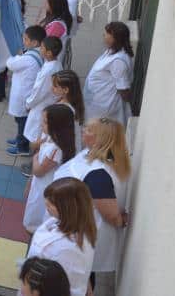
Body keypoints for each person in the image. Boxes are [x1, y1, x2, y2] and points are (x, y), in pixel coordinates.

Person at [54, 118, 131, 283]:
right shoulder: (89, 154)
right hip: (70, 230)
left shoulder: (99, 176)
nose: (83, 131)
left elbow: (112, 215)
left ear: (100, 140)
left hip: (81, 239)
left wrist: (121, 219)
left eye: (89, 130)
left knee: (79, 280)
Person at [28, 178, 96, 296]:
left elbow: (62, 282)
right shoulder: (82, 228)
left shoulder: (66, 249)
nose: (46, 206)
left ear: (67, 208)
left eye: (51, 204)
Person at [23, 104, 76, 233]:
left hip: (45, 187)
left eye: (45, 122)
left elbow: (39, 171)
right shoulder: (50, 139)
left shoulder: (55, 150)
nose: (42, 125)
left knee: (37, 218)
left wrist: (35, 158)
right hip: (39, 184)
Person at [10, 36, 63, 156]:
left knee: (37, 135)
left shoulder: (49, 70)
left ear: (49, 53)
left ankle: (34, 158)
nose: (40, 49)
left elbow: (39, 91)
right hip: (44, 103)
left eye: (42, 48)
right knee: (37, 132)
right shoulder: (53, 63)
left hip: (41, 105)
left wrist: (29, 103)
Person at [6, 25, 47, 156]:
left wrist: (13, 57)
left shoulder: (28, 58)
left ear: (34, 42)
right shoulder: (37, 54)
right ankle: (19, 139)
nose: (23, 41)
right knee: (21, 121)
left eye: (25, 39)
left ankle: (22, 146)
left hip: (23, 95)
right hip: (26, 93)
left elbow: (11, 64)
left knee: (22, 122)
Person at [83, 22, 133, 125]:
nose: (104, 35)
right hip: (95, 104)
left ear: (115, 37)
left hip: (106, 108)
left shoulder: (119, 61)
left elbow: (123, 89)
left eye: (106, 33)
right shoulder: (111, 51)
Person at [51, 70, 86, 151]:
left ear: (66, 90)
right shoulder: (73, 104)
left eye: (55, 86)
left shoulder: (63, 111)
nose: (52, 88)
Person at [40, 0, 73, 66]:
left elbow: (46, 44)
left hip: (49, 60)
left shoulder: (56, 26)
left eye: (47, 2)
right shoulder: (56, 16)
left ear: (54, 5)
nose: (45, 3)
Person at [60, 0, 81, 69]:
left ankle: (61, 71)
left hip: (65, 28)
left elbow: (71, 13)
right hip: (64, 26)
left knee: (61, 53)